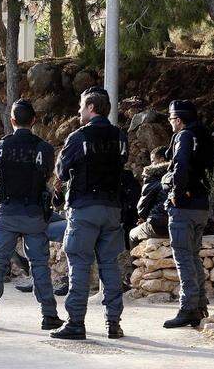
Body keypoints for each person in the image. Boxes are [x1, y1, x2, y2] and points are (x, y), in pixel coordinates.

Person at [51, 87, 128, 340]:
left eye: (82, 106)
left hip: (85, 208)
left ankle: (75, 322)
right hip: (112, 209)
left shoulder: (78, 137)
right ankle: (113, 323)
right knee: (110, 266)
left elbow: (61, 171)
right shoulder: (119, 136)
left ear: (92, 108)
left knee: (79, 265)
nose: (79, 110)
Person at [0, 99, 62, 331]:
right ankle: (49, 315)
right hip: (33, 212)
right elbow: (46, 175)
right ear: (33, 120)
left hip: (6, 213)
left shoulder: (0, 147)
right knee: (40, 265)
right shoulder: (43, 148)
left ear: (12, 120)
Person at [162, 100, 214, 328]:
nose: (171, 124)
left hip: (184, 206)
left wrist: (175, 191)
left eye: (172, 120)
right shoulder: (205, 137)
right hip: (201, 205)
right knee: (193, 257)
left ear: (179, 119)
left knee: (184, 258)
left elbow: (181, 166)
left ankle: (188, 308)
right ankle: (200, 305)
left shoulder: (184, 136)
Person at [129, 146, 170, 247]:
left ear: (162, 160)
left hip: (159, 225)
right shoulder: (179, 174)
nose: (151, 164)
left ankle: (134, 263)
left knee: (132, 234)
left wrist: (144, 218)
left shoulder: (153, 177)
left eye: (153, 161)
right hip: (181, 223)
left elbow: (141, 209)